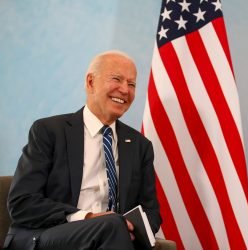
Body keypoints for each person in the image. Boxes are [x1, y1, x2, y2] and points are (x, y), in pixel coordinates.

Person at [5, 50, 162, 250]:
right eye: (117, 79)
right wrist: (87, 217)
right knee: (112, 224)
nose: (125, 90)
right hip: (48, 234)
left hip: (113, 238)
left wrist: (132, 226)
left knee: (115, 227)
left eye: (132, 84)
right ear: (90, 82)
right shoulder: (49, 131)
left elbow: (151, 212)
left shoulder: (140, 146)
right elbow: (22, 202)